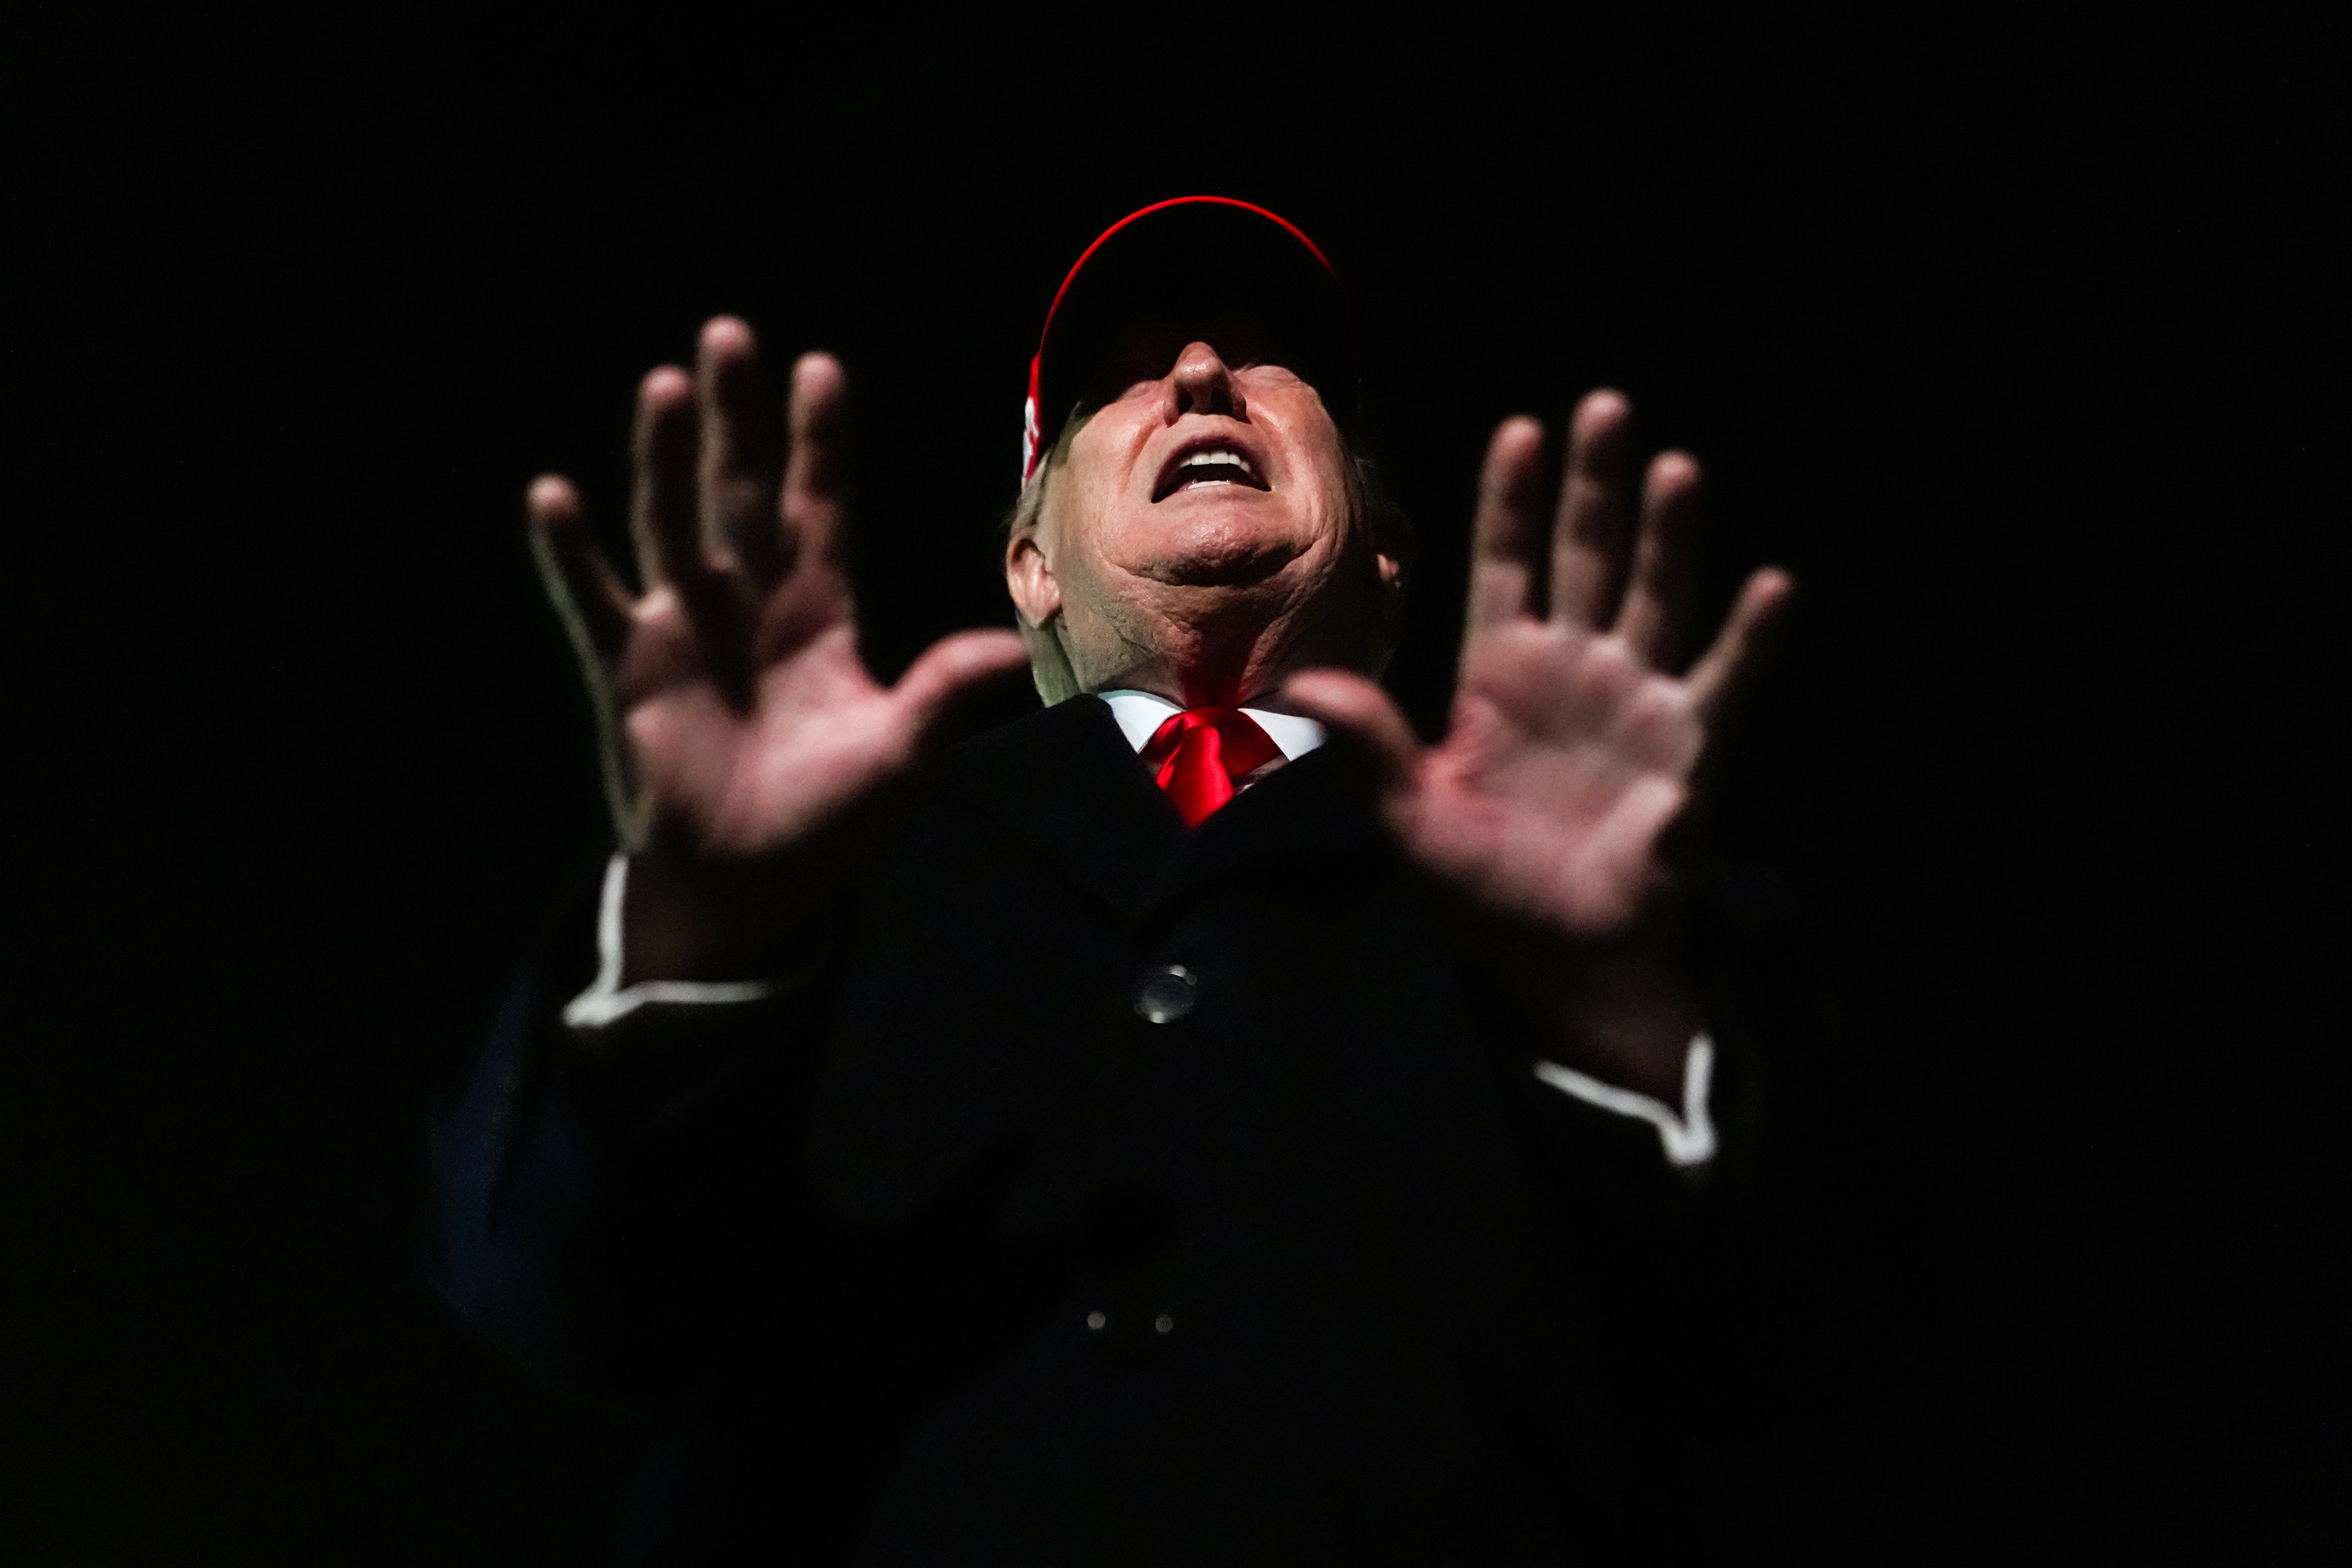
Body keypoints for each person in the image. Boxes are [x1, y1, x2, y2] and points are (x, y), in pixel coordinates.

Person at [431, 196, 1797, 1564]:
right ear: (1031, 565)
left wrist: (1614, 1014)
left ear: (1383, 546)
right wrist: (708, 934)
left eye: (1272, 363)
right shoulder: (825, 856)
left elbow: (1811, 1367)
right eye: (1124, 376)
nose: (1200, 375)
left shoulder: (1590, 893)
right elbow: (551, 1307)